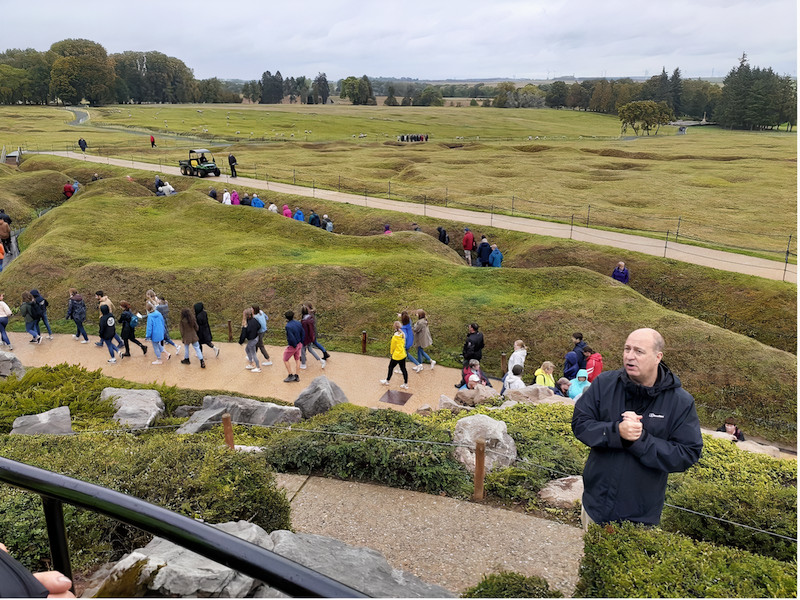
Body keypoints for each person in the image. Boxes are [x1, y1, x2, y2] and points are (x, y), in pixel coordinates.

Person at [572, 328, 703, 528]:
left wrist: (641, 440)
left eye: (639, 351)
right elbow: (580, 424)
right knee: (589, 559)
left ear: (658, 357)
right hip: (594, 506)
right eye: (627, 349)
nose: (629, 357)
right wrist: (617, 432)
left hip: (641, 517)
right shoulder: (604, 384)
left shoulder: (680, 401)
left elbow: (687, 453)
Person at [379, 321, 409, 389]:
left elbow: (392, 346)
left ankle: (387, 380)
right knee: (403, 369)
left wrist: (391, 353)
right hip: (402, 354)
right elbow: (404, 343)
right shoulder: (403, 334)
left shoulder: (395, 337)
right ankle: (405, 383)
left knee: (390, 367)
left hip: (396, 355)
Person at [457, 323, 484, 387]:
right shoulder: (480, 335)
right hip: (478, 355)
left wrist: (466, 356)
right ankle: (477, 382)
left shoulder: (471, 339)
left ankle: (464, 383)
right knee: (476, 370)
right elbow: (482, 345)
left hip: (470, 357)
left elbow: (470, 350)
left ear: (472, 328)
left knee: (465, 371)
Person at [299, 305, 325, 370]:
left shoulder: (304, 321)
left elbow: (304, 331)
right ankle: (321, 360)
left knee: (302, 350)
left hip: (305, 338)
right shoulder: (310, 318)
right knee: (310, 349)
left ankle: (303, 364)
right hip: (310, 337)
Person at [283, 310, 303, 382]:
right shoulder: (298, 323)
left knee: (285, 359)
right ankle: (297, 376)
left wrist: (293, 345)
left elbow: (291, 337)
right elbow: (302, 332)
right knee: (297, 359)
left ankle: (290, 375)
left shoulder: (288, 326)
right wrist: (301, 342)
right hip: (299, 344)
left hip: (293, 346)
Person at [238, 307, 261, 371]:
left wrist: (241, 341)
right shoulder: (254, 320)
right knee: (247, 349)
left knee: (253, 353)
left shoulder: (246, 324)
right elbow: (259, 326)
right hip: (256, 337)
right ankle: (251, 363)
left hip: (252, 340)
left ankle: (258, 367)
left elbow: (243, 334)